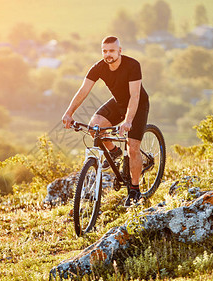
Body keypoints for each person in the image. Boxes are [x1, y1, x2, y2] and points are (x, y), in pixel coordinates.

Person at [62, 36, 149, 206]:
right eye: (104, 51)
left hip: (137, 105)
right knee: (95, 127)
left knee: (132, 147)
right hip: (118, 103)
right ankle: (115, 151)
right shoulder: (99, 68)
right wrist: (68, 113)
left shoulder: (132, 65)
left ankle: (134, 190)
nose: (108, 54)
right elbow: (83, 90)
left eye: (111, 50)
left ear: (119, 51)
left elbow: (135, 96)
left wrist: (128, 121)